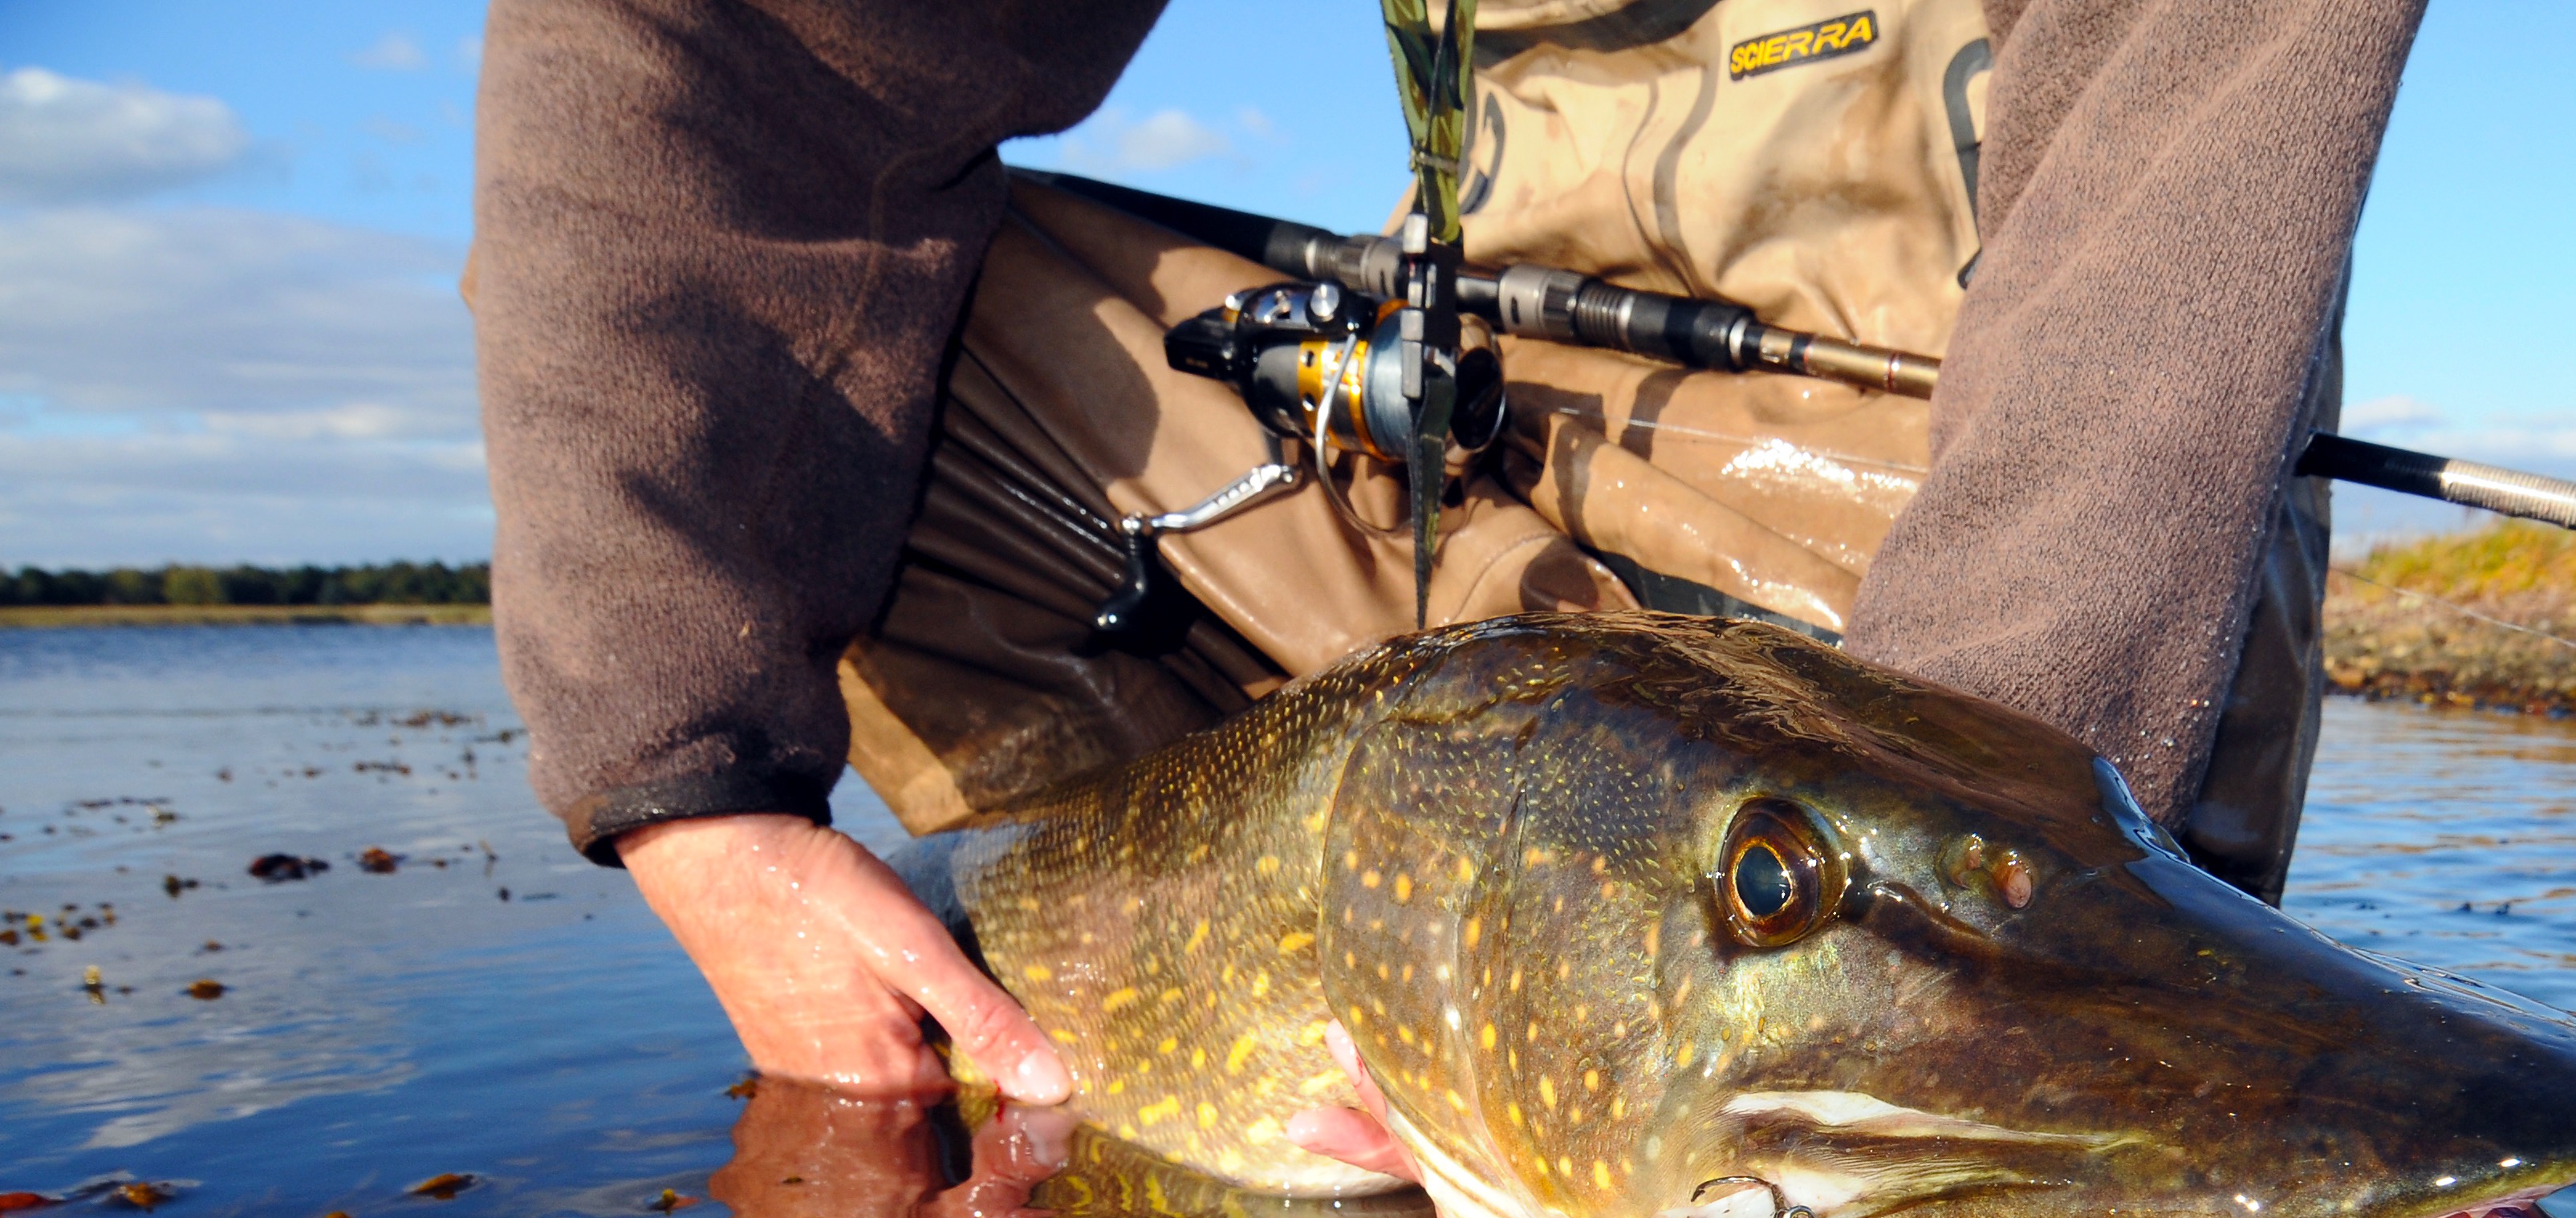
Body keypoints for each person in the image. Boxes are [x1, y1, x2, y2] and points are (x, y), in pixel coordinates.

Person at [472, 0, 2426, 1112]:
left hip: (1994, 480)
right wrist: (683, 785)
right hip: (1485, 422)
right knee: (843, 367)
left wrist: (1958, 923)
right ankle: (1151, 1092)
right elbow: (722, 54)